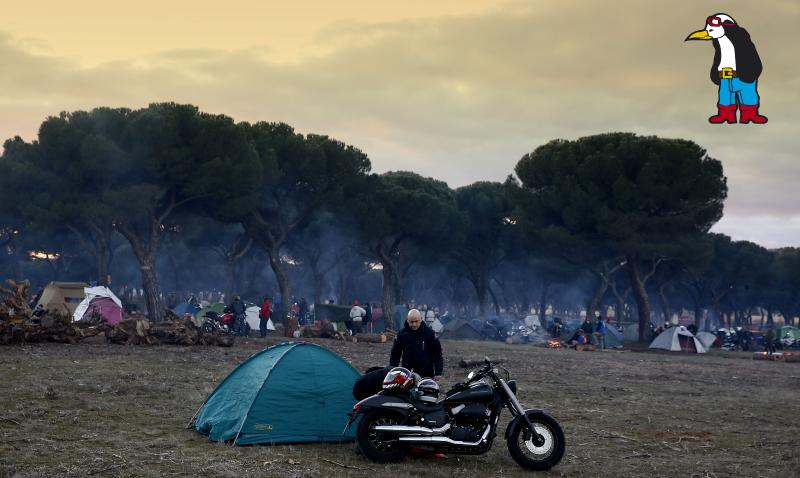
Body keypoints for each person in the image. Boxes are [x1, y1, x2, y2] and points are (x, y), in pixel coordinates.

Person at [390, 309, 443, 380]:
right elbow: (395, 353)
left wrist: (438, 372)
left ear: (421, 319)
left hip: (426, 373)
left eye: (416, 321)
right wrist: (393, 370)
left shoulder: (430, 333)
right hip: (407, 372)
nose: (414, 324)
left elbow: (437, 353)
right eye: (411, 322)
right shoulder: (402, 334)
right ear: (407, 320)